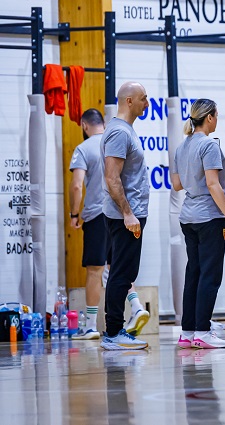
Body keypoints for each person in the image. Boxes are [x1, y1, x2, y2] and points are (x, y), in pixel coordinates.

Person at [171, 99, 225, 349]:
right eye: (217, 115)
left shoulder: (182, 146)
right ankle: (203, 331)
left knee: (194, 273)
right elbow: (213, 185)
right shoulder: (209, 145)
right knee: (210, 276)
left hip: (188, 217)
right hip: (209, 217)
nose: (217, 120)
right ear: (209, 117)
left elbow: (177, 184)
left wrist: (193, 177)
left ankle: (188, 332)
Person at [100, 82, 151, 350]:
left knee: (122, 272)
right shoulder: (120, 132)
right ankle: (114, 332)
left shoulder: (124, 129)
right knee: (122, 273)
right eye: (143, 98)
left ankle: (114, 331)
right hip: (125, 218)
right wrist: (128, 214)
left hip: (126, 215)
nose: (147, 103)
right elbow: (112, 177)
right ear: (129, 101)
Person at [69, 109, 108, 339]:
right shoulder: (115, 143)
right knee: (117, 267)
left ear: (84, 125)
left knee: (95, 271)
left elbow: (76, 186)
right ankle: (136, 308)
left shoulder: (84, 148)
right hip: (121, 214)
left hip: (97, 215)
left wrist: (74, 214)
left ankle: (91, 326)